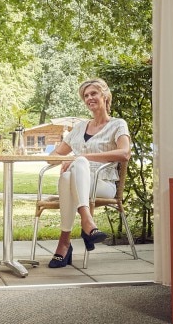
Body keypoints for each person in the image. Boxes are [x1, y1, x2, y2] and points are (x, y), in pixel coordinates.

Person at [46, 78, 131, 268]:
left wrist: (82, 157)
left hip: (103, 184)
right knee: (69, 175)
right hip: (77, 183)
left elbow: (124, 153)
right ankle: (87, 223)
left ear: (105, 96)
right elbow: (52, 157)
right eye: (86, 95)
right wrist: (65, 158)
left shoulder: (118, 124)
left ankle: (64, 243)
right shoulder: (78, 128)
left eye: (93, 93)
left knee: (78, 164)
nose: (89, 98)